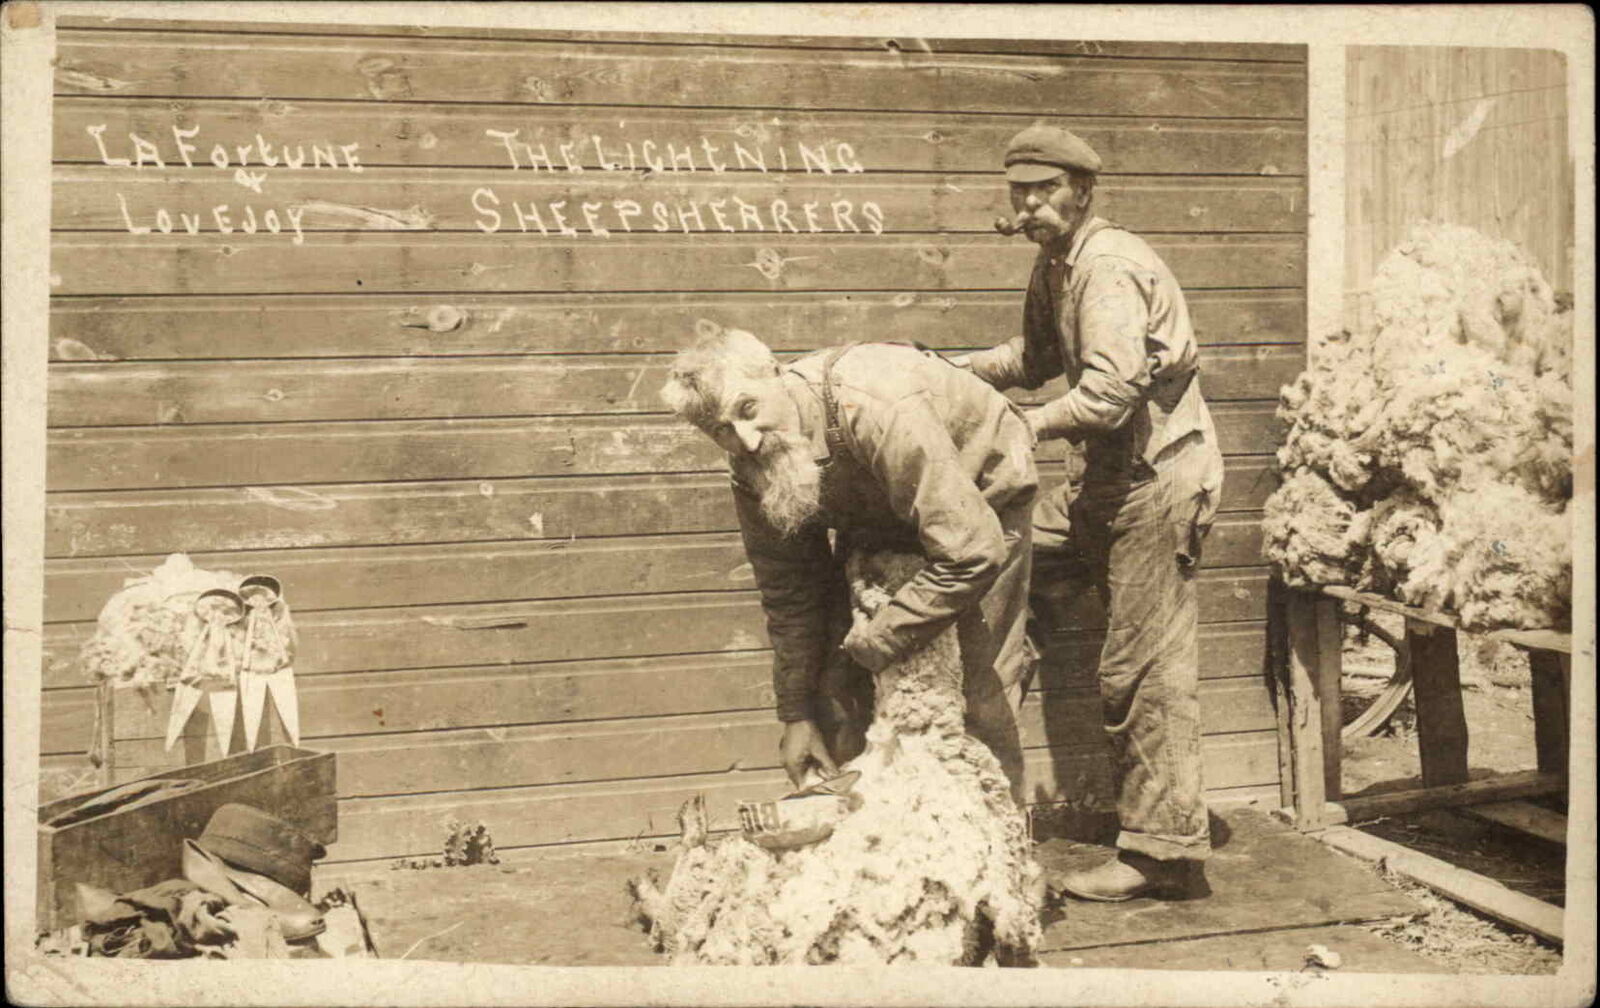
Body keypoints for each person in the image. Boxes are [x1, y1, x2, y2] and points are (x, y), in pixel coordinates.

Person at [955, 123, 1225, 901]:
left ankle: (1166, 857)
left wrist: (1022, 424)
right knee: (994, 556)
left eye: (1046, 191)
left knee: (1142, 668)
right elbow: (1034, 361)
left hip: (1157, 477)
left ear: (1082, 192)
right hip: (1103, 482)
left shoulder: (1106, 266)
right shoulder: (1056, 265)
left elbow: (1107, 395)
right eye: (1020, 192)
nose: (1032, 205)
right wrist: (943, 369)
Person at [660, 328, 1038, 807]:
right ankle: (877, 851)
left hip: (979, 500)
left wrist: (882, 638)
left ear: (776, 373)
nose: (747, 440)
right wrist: (796, 715)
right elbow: (791, 593)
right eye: (722, 432)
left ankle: (996, 858)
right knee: (838, 691)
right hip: (881, 512)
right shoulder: (751, 466)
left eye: (748, 409)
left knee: (977, 694)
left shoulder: (876, 405)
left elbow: (971, 552)